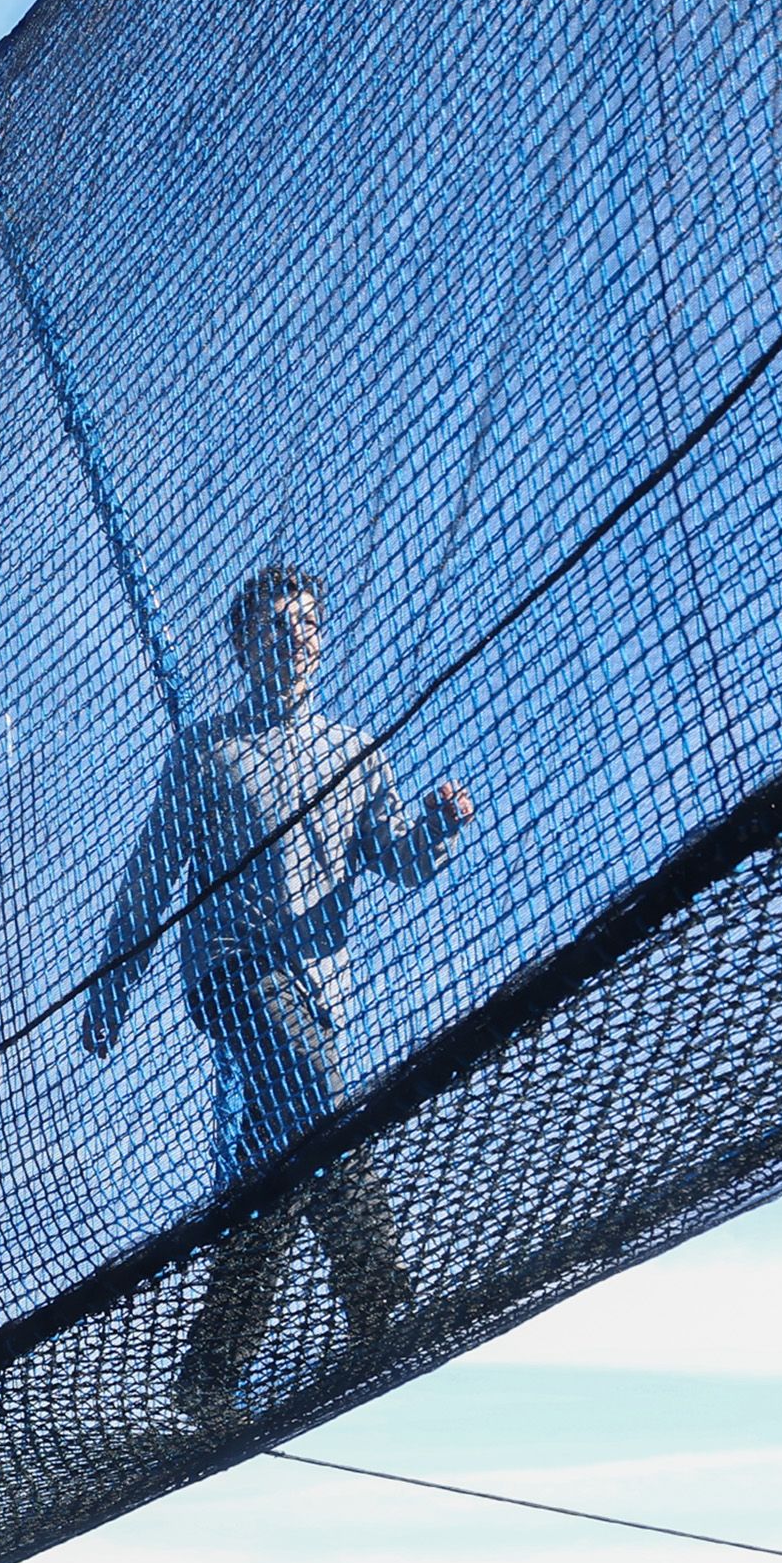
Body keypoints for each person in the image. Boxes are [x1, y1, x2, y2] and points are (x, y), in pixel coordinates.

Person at [81, 561, 477, 1421]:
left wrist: (437, 828)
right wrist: (112, 989)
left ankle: (209, 1373)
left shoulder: (355, 753)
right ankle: (380, 1299)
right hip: (232, 971)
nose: (291, 638)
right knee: (321, 1104)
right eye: (272, 628)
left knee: (281, 1165)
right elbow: (150, 880)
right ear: (241, 647)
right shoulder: (205, 753)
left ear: (321, 641)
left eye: (304, 625)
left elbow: (397, 861)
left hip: (319, 989)